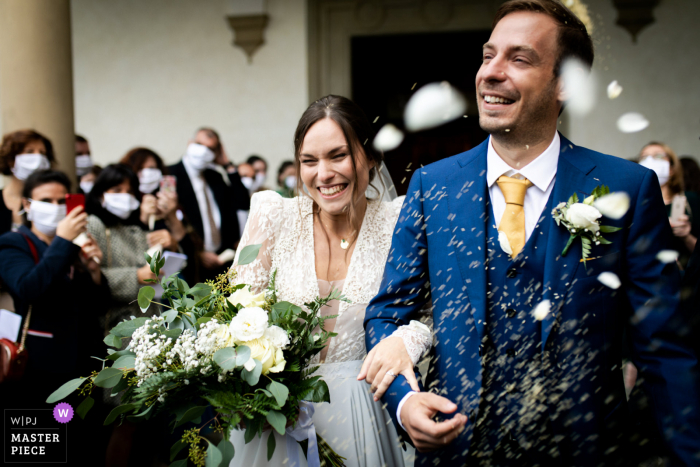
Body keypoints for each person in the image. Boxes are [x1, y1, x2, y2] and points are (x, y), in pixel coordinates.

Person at [362, 1, 700, 465]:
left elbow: (665, 354)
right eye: (487, 56)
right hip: (457, 452)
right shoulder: (430, 186)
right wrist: (404, 401)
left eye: (518, 59)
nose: (490, 73)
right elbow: (387, 313)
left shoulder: (626, 188)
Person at [229, 95, 419, 466]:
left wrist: (406, 342)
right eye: (309, 161)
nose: (323, 174)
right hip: (275, 423)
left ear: (371, 157)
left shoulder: (400, 223)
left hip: (366, 416)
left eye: (338, 156)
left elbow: (426, 316)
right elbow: (233, 318)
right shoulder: (273, 215)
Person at [0, 170, 109, 460]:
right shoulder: (13, 243)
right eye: (45, 200)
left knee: (84, 447)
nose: (55, 206)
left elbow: (98, 304)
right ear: (27, 204)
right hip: (39, 368)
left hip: (83, 365)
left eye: (62, 200)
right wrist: (62, 242)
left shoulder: (73, 246)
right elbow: (28, 288)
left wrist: (94, 271)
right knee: (41, 452)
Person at [85, 164, 173, 330]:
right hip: (115, 324)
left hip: (149, 320)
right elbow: (89, 277)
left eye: (130, 191)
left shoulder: (135, 226)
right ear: (100, 194)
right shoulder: (93, 224)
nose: (125, 196)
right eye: (117, 190)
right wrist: (136, 276)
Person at [168, 128, 250, 281]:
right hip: (191, 265)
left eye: (211, 148)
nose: (203, 151)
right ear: (190, 143)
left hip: (221, 263)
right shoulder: (170, 175)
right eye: (199, 144)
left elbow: (242, 202)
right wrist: (196, 253)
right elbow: (166, 220)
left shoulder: (216, 177)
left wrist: (227, 165)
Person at [639, 142, 698, 268]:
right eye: (644, 157)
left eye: (658, 156)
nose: (650, 161)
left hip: (686, 279)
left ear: (671, 168)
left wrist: (686, 236)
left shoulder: (690, 200)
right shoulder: (635, 204)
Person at [0, 129, 55, 235]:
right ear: (11, 160)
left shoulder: (52, 201)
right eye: (30, 151)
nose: (38, 158)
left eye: (42, 153)